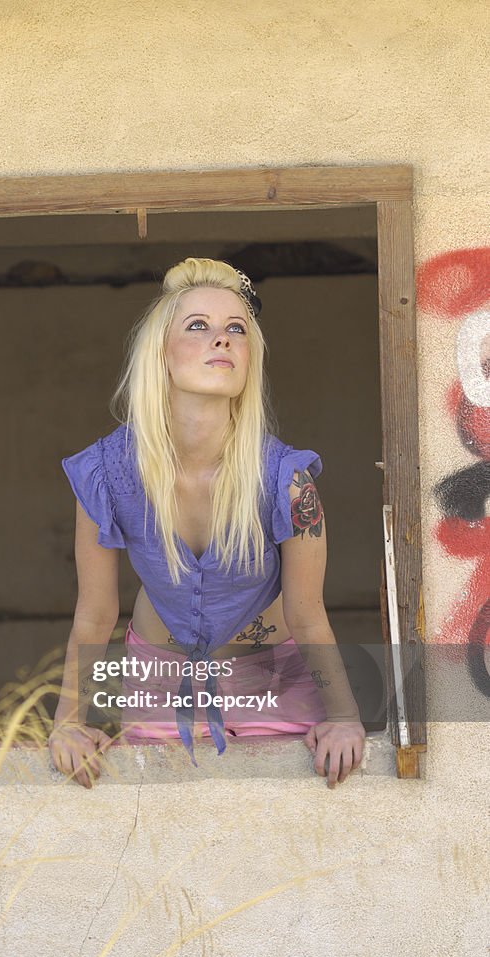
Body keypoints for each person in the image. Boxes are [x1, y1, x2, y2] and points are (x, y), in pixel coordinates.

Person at [48, 257, 365, 789]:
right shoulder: (105, 472)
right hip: (156, 685)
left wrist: (345, 718)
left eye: (236, 329)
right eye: (199, 326)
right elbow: (95, 612)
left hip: (276, 681)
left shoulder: (288, 479)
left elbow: (308, 615)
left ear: (250, 358)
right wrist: (68, 724)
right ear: (161, 354)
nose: (222, 339)